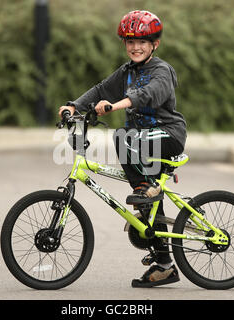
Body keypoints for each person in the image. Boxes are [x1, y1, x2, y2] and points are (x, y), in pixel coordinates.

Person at [58, 10, 186, 288]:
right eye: (130, 41)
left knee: (123, 136)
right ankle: (164, 265)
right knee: (150, 207)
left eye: (142, 41)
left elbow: (149, 94)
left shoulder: (161, 71)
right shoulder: (126, 72)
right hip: (143, 139)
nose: (135, 47)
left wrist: (117, 105)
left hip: (168, 134)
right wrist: (74, 106)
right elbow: (101, 89)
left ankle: (142, 187)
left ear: (155, 44)